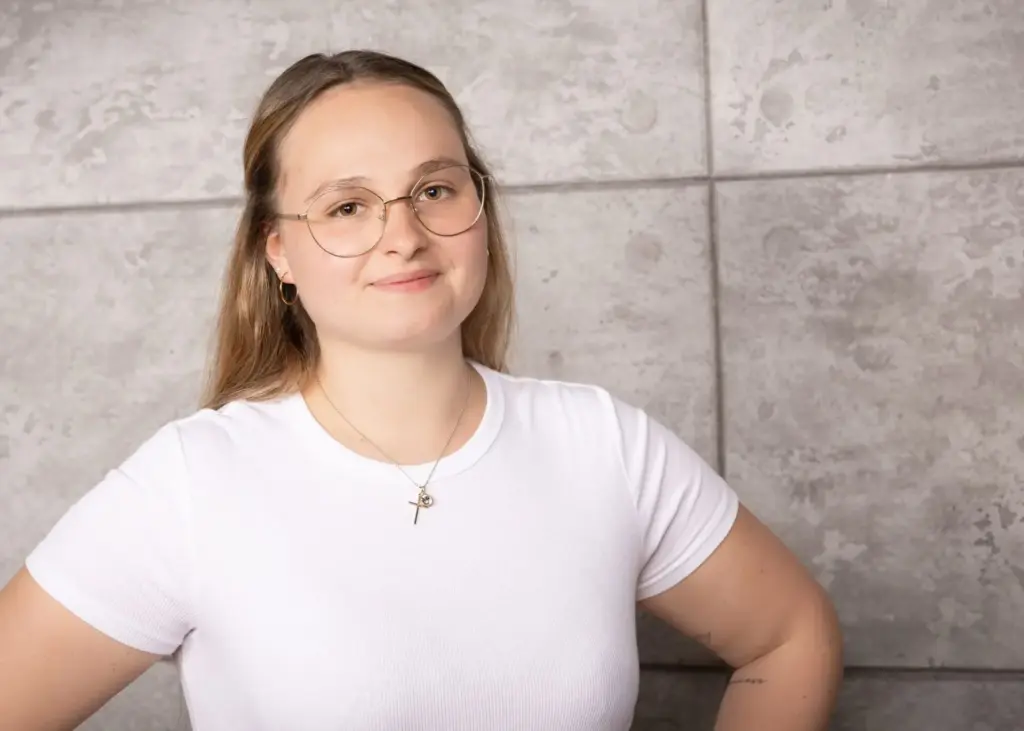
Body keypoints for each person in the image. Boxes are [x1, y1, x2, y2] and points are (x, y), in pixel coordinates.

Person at [0, 50, 843, 731]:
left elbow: (789, 635)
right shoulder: (192, 482)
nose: (402, 234)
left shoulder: (601, 443)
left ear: (480, 209)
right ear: (277, 251)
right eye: (347, 206)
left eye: (434, 189)